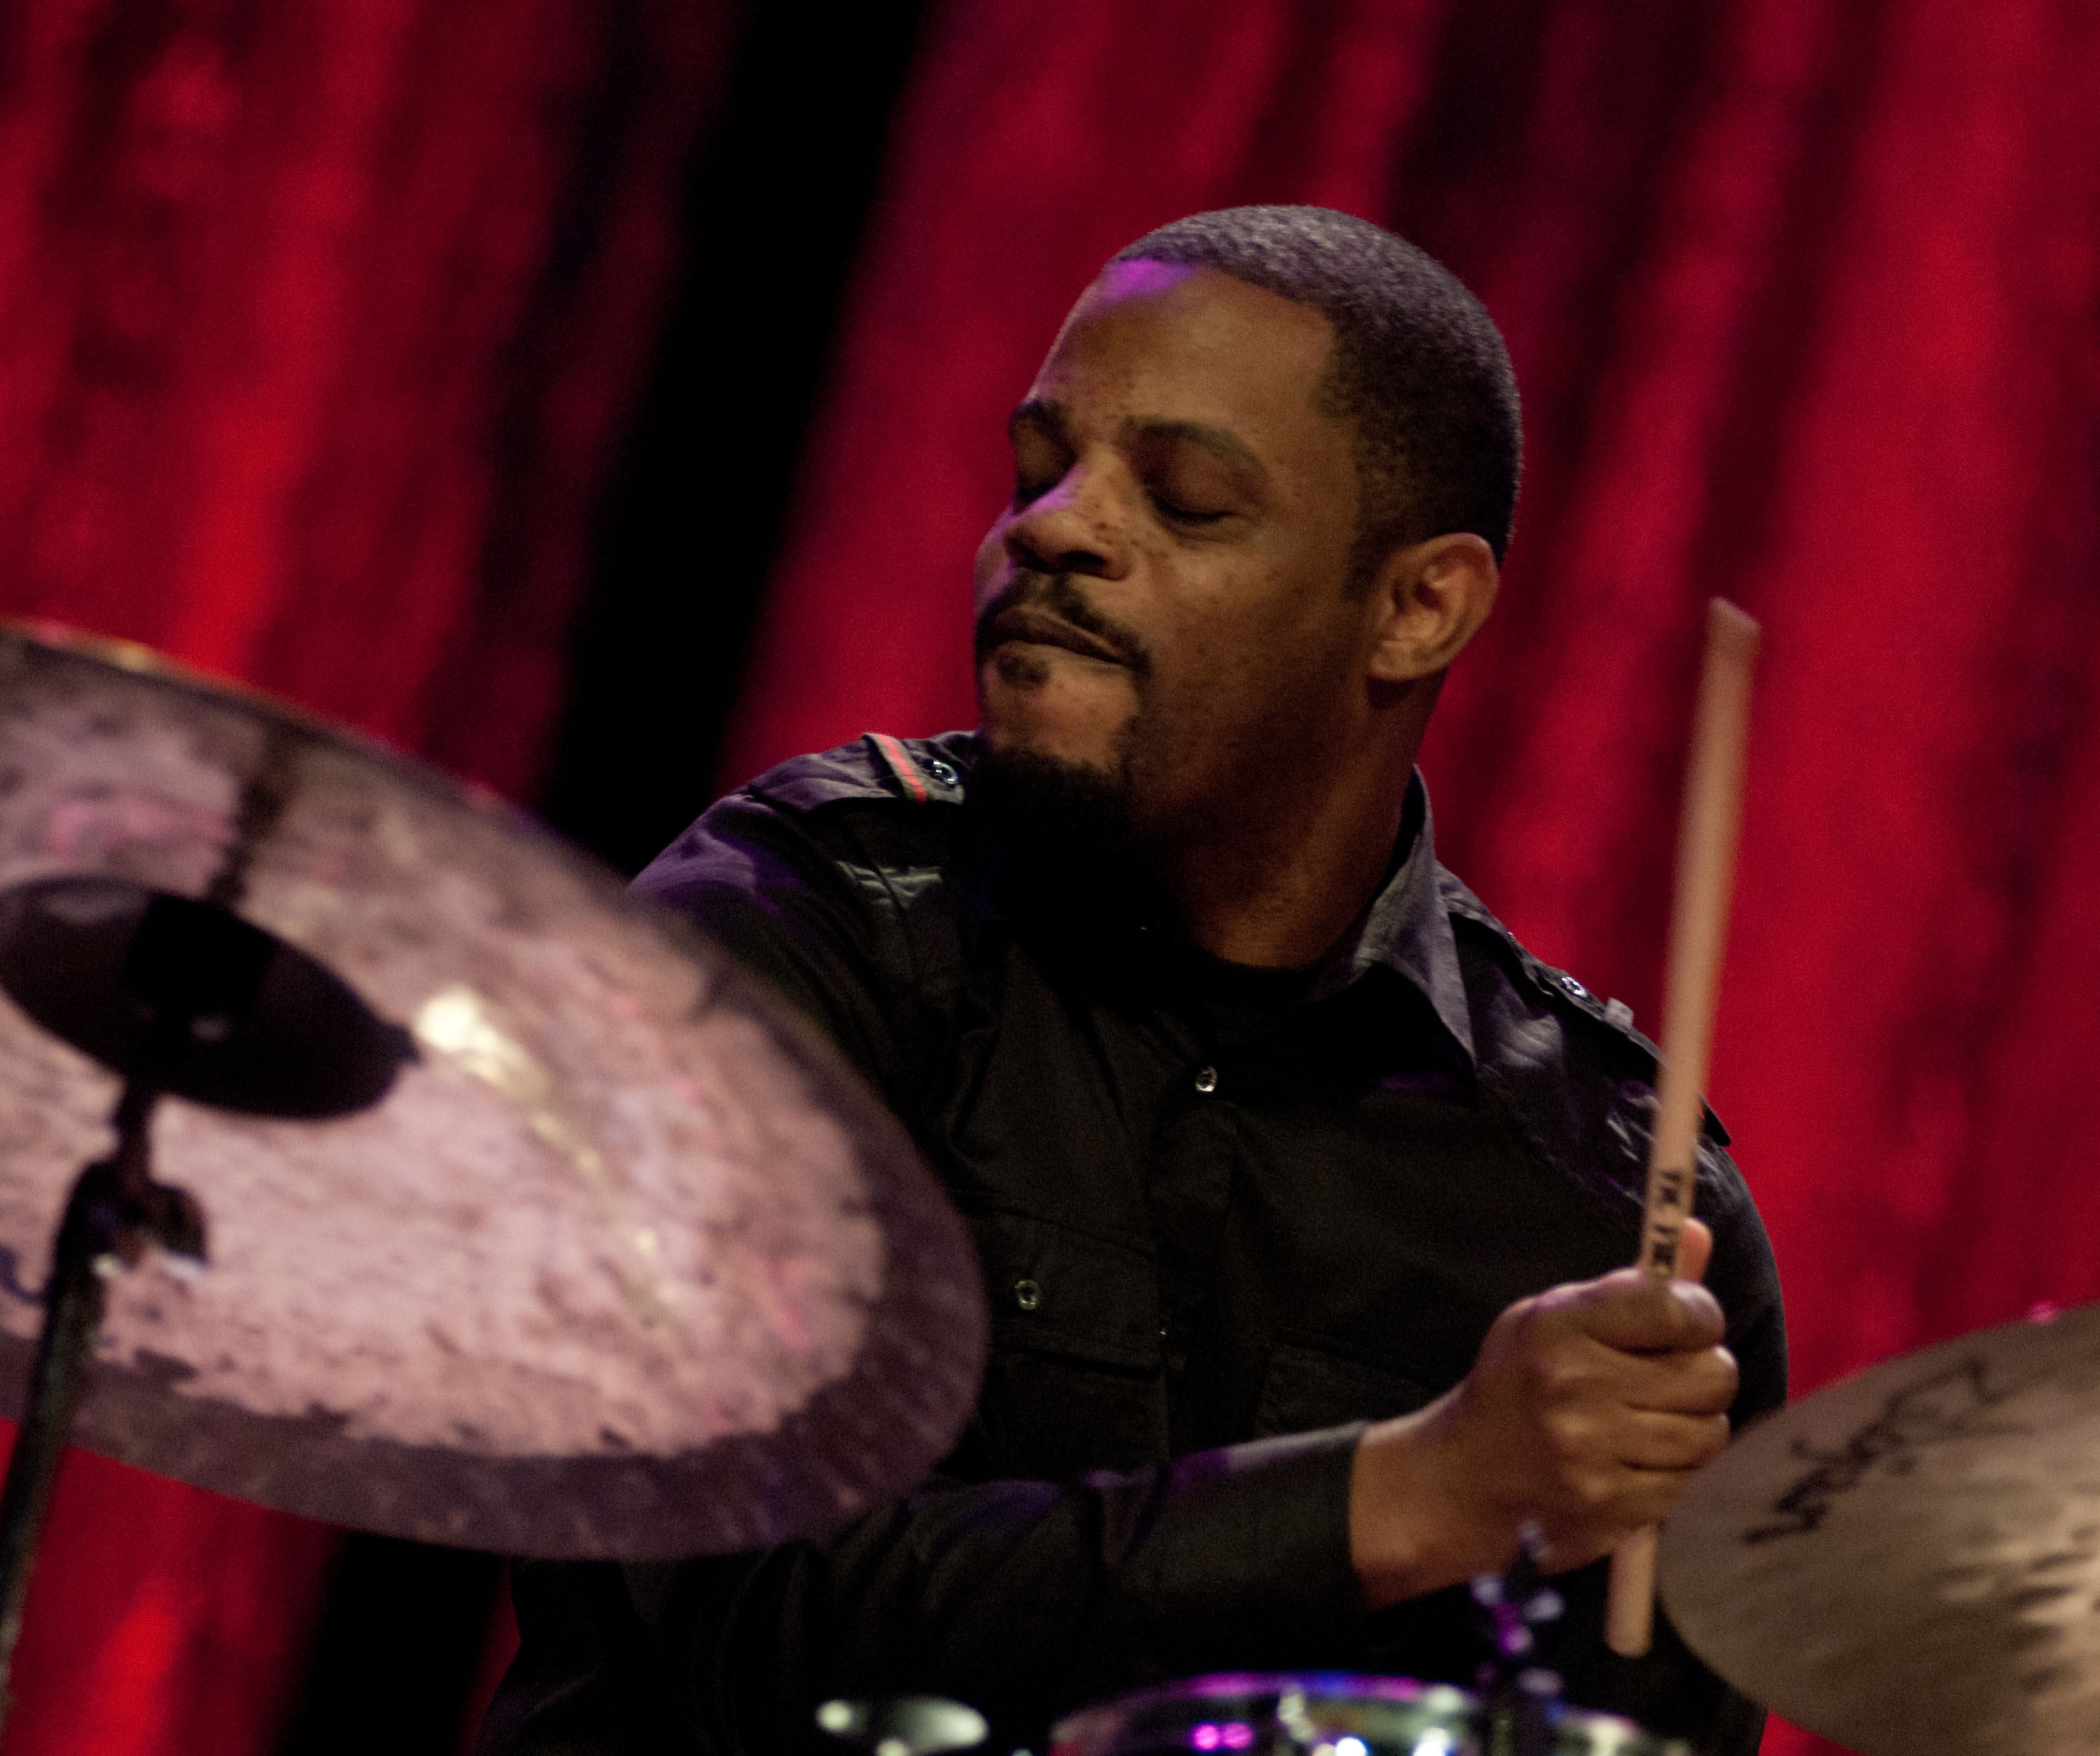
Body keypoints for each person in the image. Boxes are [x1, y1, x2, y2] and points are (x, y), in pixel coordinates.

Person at [480, 205, 1786, 1756]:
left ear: (1416, 606)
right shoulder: (803, 923)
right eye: (1037, 469)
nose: (1053, 528)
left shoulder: (1602, 1197)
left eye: (1185, 500)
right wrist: (1406, 1496)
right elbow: (716, 1611)